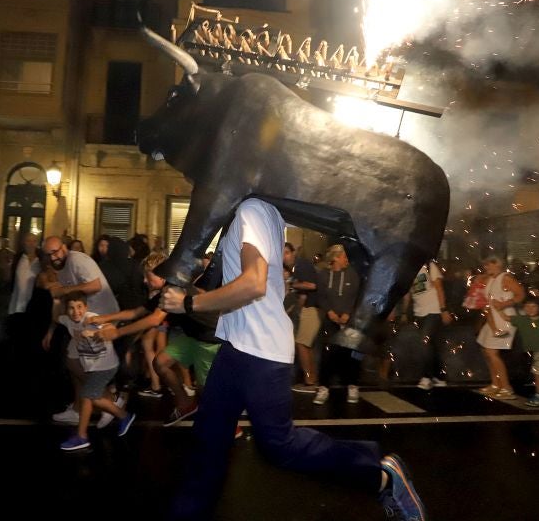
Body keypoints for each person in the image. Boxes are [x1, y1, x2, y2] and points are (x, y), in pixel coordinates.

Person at [161, 197, 425, 520]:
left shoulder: (252, 210)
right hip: (237, 347)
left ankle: (380, 475)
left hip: (258, 351)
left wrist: (189, 305)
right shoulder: (264, 212)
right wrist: (195, 298)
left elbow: (254, 285)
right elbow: (252, 289)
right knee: (209, 439)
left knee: (279, 446)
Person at [97, 251, 221, 426]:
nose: (145, 281)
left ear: (161, 275)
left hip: (208, 339)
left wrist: (117, 333)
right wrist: (102, 319)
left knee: (206, 391)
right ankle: (185, 404)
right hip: (193, 336)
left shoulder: (174, 287)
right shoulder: (164, 291)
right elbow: (135, 312)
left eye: (148, 277)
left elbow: (154, 319)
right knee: (160, 363)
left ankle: (230, 426)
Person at [43, 292, 135, 451]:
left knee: (89, 396)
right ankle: (83, 434)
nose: (76, 311)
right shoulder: (67, 319)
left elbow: (110, 327)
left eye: (79, 307)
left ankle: (121, 417)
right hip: (92, 367)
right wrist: (56, 300)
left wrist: (94, 332)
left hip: (105, 366)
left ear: (86, 307)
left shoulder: (91, 318)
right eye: (71, 308)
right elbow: (56, 317)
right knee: (87, 396)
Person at [313, 243, 363, 405]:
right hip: (331, 319)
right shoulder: (323, 275)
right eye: (343, 256)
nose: (346, 259)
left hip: (350, 320)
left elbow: (356, 296)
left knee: (351, 353)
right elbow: (321, 297)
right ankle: (323, 388)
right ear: (335, 257)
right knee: (328, 352)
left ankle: (353, 386)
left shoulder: (352, 274)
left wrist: (348, 313)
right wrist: (330, 312)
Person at [476, 255, 524, 400]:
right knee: (486, 351)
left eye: (489, 265)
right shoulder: (492, 279)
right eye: (485, 265)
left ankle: (506, 387)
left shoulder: (506, 278)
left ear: (498, 265)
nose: (486, 268)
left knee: (492, 352)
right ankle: (496, 384)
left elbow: (521, 294)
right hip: (492, 320)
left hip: (504, 318)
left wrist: (504, 304)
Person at [405, 260, 453, 390]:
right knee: (432, 345)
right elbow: (408, 293)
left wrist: (443, 310)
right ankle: (439, 376)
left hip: (433, 310)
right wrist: (404, 312)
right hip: (419, 312)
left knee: (424, 341)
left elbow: (439, 288)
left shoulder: (429, 266)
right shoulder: (408, 270)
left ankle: (426, 376)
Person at [283, 242, 320, 393]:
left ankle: (309, 382)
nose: (284, 256)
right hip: (307, 309)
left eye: (286, 252)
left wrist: (292, 284)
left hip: (311, 309)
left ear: (293, 253)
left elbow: (312, 286)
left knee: (301, 344)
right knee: (306, 345)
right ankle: (311, 379)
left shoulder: (301, 265)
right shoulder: (294, 268)